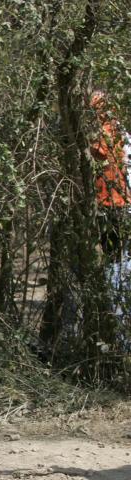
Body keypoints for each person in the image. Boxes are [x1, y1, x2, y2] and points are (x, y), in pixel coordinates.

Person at [90, 91, 131, 337]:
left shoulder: (108, 131)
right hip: (113, 204)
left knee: (114, 264)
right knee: (115, 262)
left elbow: (100, 156)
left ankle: (113, 318)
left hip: (111, 205)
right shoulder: (118, 130)